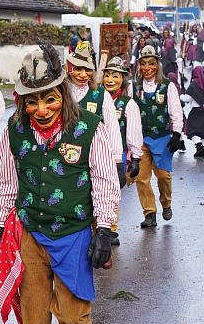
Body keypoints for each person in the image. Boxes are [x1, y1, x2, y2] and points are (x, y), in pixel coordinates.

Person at [0, 43, 120, 324]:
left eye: (48, 99)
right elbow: (3, 178)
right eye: (32, 102)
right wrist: (0, 225)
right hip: (30, 233)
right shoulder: (13, 131)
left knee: (72, 316)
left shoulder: (88, 128)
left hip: (75, 233)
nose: (41, 110)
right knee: (34, 319)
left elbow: (103, 179)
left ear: (61, 94)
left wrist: (105, 229)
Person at [134, 44, 184, 228]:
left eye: (151, 63)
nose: (147, 68)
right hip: (140, 139)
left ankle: (166, 202)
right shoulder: (135, 87)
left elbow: (176, 111)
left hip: (162, 138)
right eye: (144, 64)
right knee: (141, 177)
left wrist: (177, 134)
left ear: (157, 65)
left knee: (163, 176)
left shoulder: (167, 86)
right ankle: (149, 213)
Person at [65, 41, 124, 190]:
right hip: (63, 158)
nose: (83, 75)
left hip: (94, 158)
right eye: (78, 69)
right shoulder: (60, 92)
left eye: (88, 70)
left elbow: (112, 128)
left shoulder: (101, 95)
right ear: (70, 68)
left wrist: (117, 161)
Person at [101, 57, 143, 246]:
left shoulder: (128, 104)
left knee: (112, 192)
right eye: (107, 75)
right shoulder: (94, 99)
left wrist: (135, 158)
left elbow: (133, 131)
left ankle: (111, 228)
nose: (110, 80)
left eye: (115, 76)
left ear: (123, 79)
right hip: (94, 154)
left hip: (117, 155)